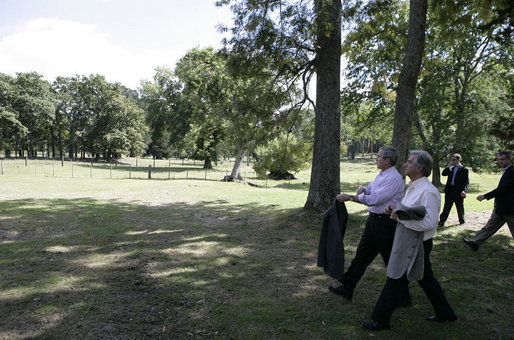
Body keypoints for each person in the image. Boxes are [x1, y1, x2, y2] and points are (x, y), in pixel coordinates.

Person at [363, 150, 457, 331]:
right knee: (425, 278)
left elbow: (429, 223)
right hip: (410, 239)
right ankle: (446, 313)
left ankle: (380, 319)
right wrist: (395, 209)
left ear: (420, 168)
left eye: (410, 162)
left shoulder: (428, 192)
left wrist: (398, 217)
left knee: (395, 278)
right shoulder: (414, 187)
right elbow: (410, 211)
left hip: (416, 243)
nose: (405, 164)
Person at [328, 146, 410, 305]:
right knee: (362, 256)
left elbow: (375, 199)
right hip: (374, 221)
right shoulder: (383, 175)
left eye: (379, 157)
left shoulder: (394, 178)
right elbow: (371, 189)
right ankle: (347, 287)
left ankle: (404, 296)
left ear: (387, 160)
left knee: (391, 261)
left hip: (386, 224)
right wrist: (364, 188)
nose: (376, 159)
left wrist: (350, 197)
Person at [463, 150, 514, 251]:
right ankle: (475, 242)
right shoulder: (507, 171)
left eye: (503, 159)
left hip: (510, 208)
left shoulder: (512, 171)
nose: (500, 162)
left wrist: (485, 196)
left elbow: (502, 189)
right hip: (501, 208)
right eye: (499, 160)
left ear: (510, 159)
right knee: (489, 227)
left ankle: (475, 242)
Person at [438, 153, 469, 227]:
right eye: (452, 159)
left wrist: (464, 191)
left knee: (460, 207)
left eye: (454, 160)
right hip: (449, 191)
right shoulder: (450, 168)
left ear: (458, 160)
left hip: (458, 191)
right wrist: (449, 166)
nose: (452, 161)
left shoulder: (464, 169)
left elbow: (466, 182)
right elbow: (443, 173)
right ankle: (442, 221)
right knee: (446, 207)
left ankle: (461, 221)